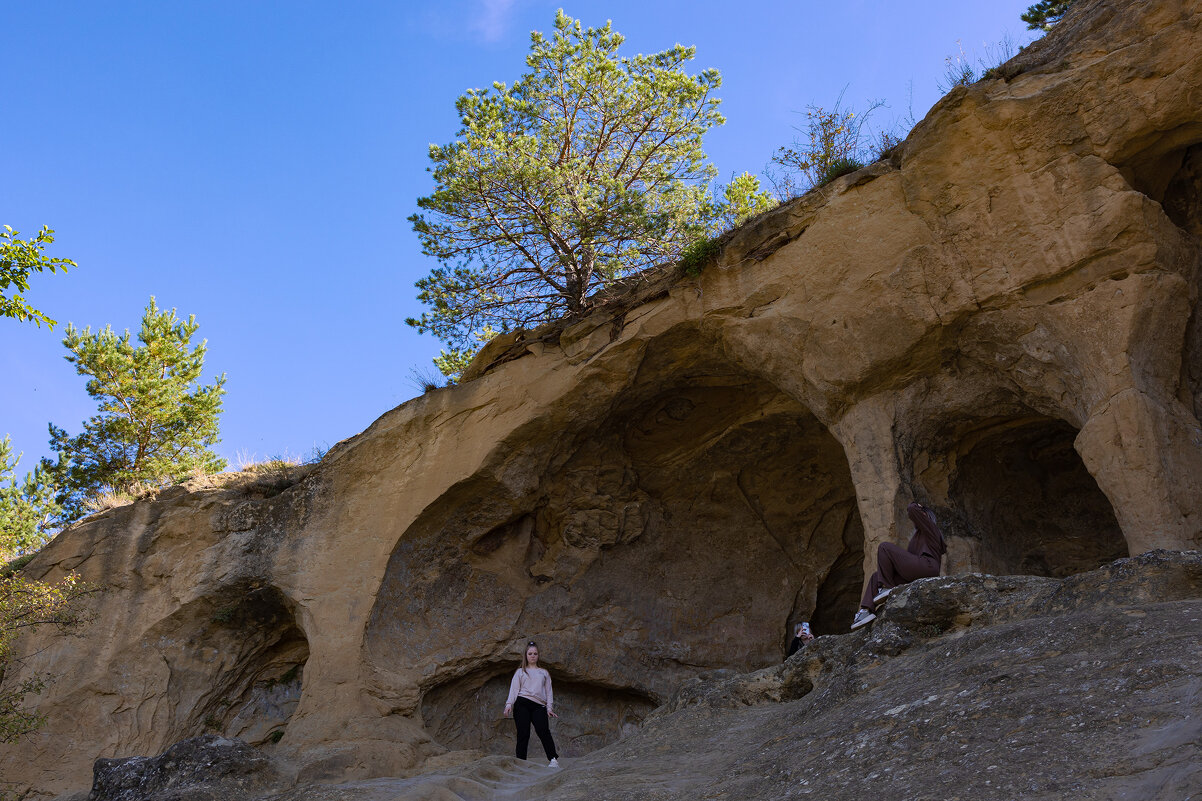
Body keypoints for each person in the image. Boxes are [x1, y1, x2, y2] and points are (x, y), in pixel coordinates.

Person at [851, 502, 947, 630]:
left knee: (884, 547)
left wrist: (918, 506)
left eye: (922, 515)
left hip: (927, 566)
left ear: (925, 516)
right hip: (916, 571)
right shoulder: (917, 537)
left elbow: (912, 509)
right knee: (876, 576)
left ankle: (886, 587)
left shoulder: (931, 528)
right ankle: (866, 611)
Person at [503, 640, 560, 768]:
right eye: (530, 653)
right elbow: (514, 690)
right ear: (526, 655)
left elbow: (549, 692)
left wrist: (549, 708)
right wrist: (508, 704)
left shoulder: (544, 672)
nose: (533, 656)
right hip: (522, 703)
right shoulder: (520, 672)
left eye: (535, 653)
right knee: (523, 733)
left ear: (538, 655)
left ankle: (553, 759)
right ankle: (521, 762)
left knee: (543, 730)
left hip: (538, 705)